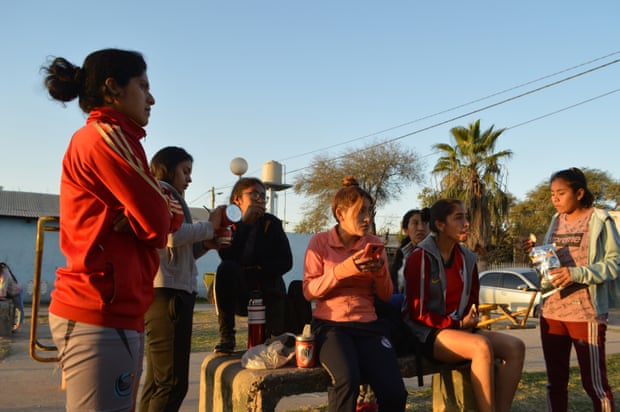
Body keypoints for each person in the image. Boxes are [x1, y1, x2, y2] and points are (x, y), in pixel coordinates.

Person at [42, 48, 180, 411]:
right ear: (113, 89)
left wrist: (149, 213)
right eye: (143, 86)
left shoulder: (126, 143)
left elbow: (169, 215)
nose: (151, 98)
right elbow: (159, 221)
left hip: (117, 312)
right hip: (96, 311)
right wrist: (151, 214)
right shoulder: (105, 137)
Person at [403, 199, 525, 412]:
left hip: (461, 327)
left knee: (516, 347)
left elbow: (472, 302)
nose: (467, 223)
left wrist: (469, 321)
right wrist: (458, 324)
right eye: (459, 218)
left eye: (466, 217)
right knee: (481, 346)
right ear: (440, 225)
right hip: (427, 333)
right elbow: (417, 312)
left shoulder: (467, 257)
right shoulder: (421, 257)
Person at [303, 176, 407, 412]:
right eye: (361, 212)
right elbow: (309, 291)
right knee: (346, 382)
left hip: (369, 326)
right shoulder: (319, 243)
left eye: (370, 211)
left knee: (394, 393)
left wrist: (380, 270)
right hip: (331, 326)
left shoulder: (373, 243)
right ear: (340, 214)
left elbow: (386, 294)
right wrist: (343, 270)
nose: (368, 218)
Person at [522, 167, 619, 411]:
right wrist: (536, 253)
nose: (555, 199)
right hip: (552, 312)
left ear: (579, 192)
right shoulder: (556, 220)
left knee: (594, 385)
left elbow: (614, 264)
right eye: (552, 193)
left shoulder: (600, 219)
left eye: (561, 193)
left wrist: (575, 274)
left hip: (585, 314)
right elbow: (550, 266)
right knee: (555, 383)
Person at [140, 147, 225, 411]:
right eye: (185, 171)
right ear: (167, 168)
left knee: (157, 381)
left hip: (165, 291)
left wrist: (206, 244)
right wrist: (210, 225)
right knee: (172, 384)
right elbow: (170, 236)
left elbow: (178, 251)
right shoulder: (164, 192)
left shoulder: (167, 195)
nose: (189, 178)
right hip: (169, 295)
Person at [213, 177, 293, 353]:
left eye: (263, 196)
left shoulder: (271, 223)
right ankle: (227, 336)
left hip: (267, 287)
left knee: (275, 283)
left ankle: (273, 336)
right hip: (239, 291)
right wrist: (244, 225)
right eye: (254, 194)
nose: (260, 199)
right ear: (237, 199)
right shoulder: (229, 225)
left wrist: (259, 269)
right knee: (226, 269)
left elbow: (286, 261)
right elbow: (227, 255)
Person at [390, 208, 431, 294]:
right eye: (415, 223)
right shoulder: (402, 254)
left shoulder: (438, 254)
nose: (420, 228)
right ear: (406, 230)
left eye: (424, 223)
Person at [0, 262, 25, 331]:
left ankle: (18, 326)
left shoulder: (4, 274)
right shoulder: (2, 271)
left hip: (15, 292)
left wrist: (1, 296)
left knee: (19, 309)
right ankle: (11, 324)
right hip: (9, 292)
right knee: (12, 309)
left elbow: (2, 288)